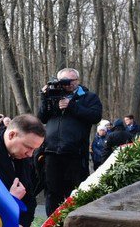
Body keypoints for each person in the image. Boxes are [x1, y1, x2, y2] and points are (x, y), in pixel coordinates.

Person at [37, 67, 103, 215]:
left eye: (70, 81)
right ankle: (52, 224)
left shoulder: (88, 97)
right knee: (52, 192)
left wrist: (72, 106)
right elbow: (42, 118)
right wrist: (44, 98)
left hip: (75, 154)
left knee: (76, 192)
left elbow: (95, 116)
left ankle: (75, 222)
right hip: (52, 152)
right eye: (63, 81)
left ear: (77, 81)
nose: (67, 84)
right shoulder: (53, 95)